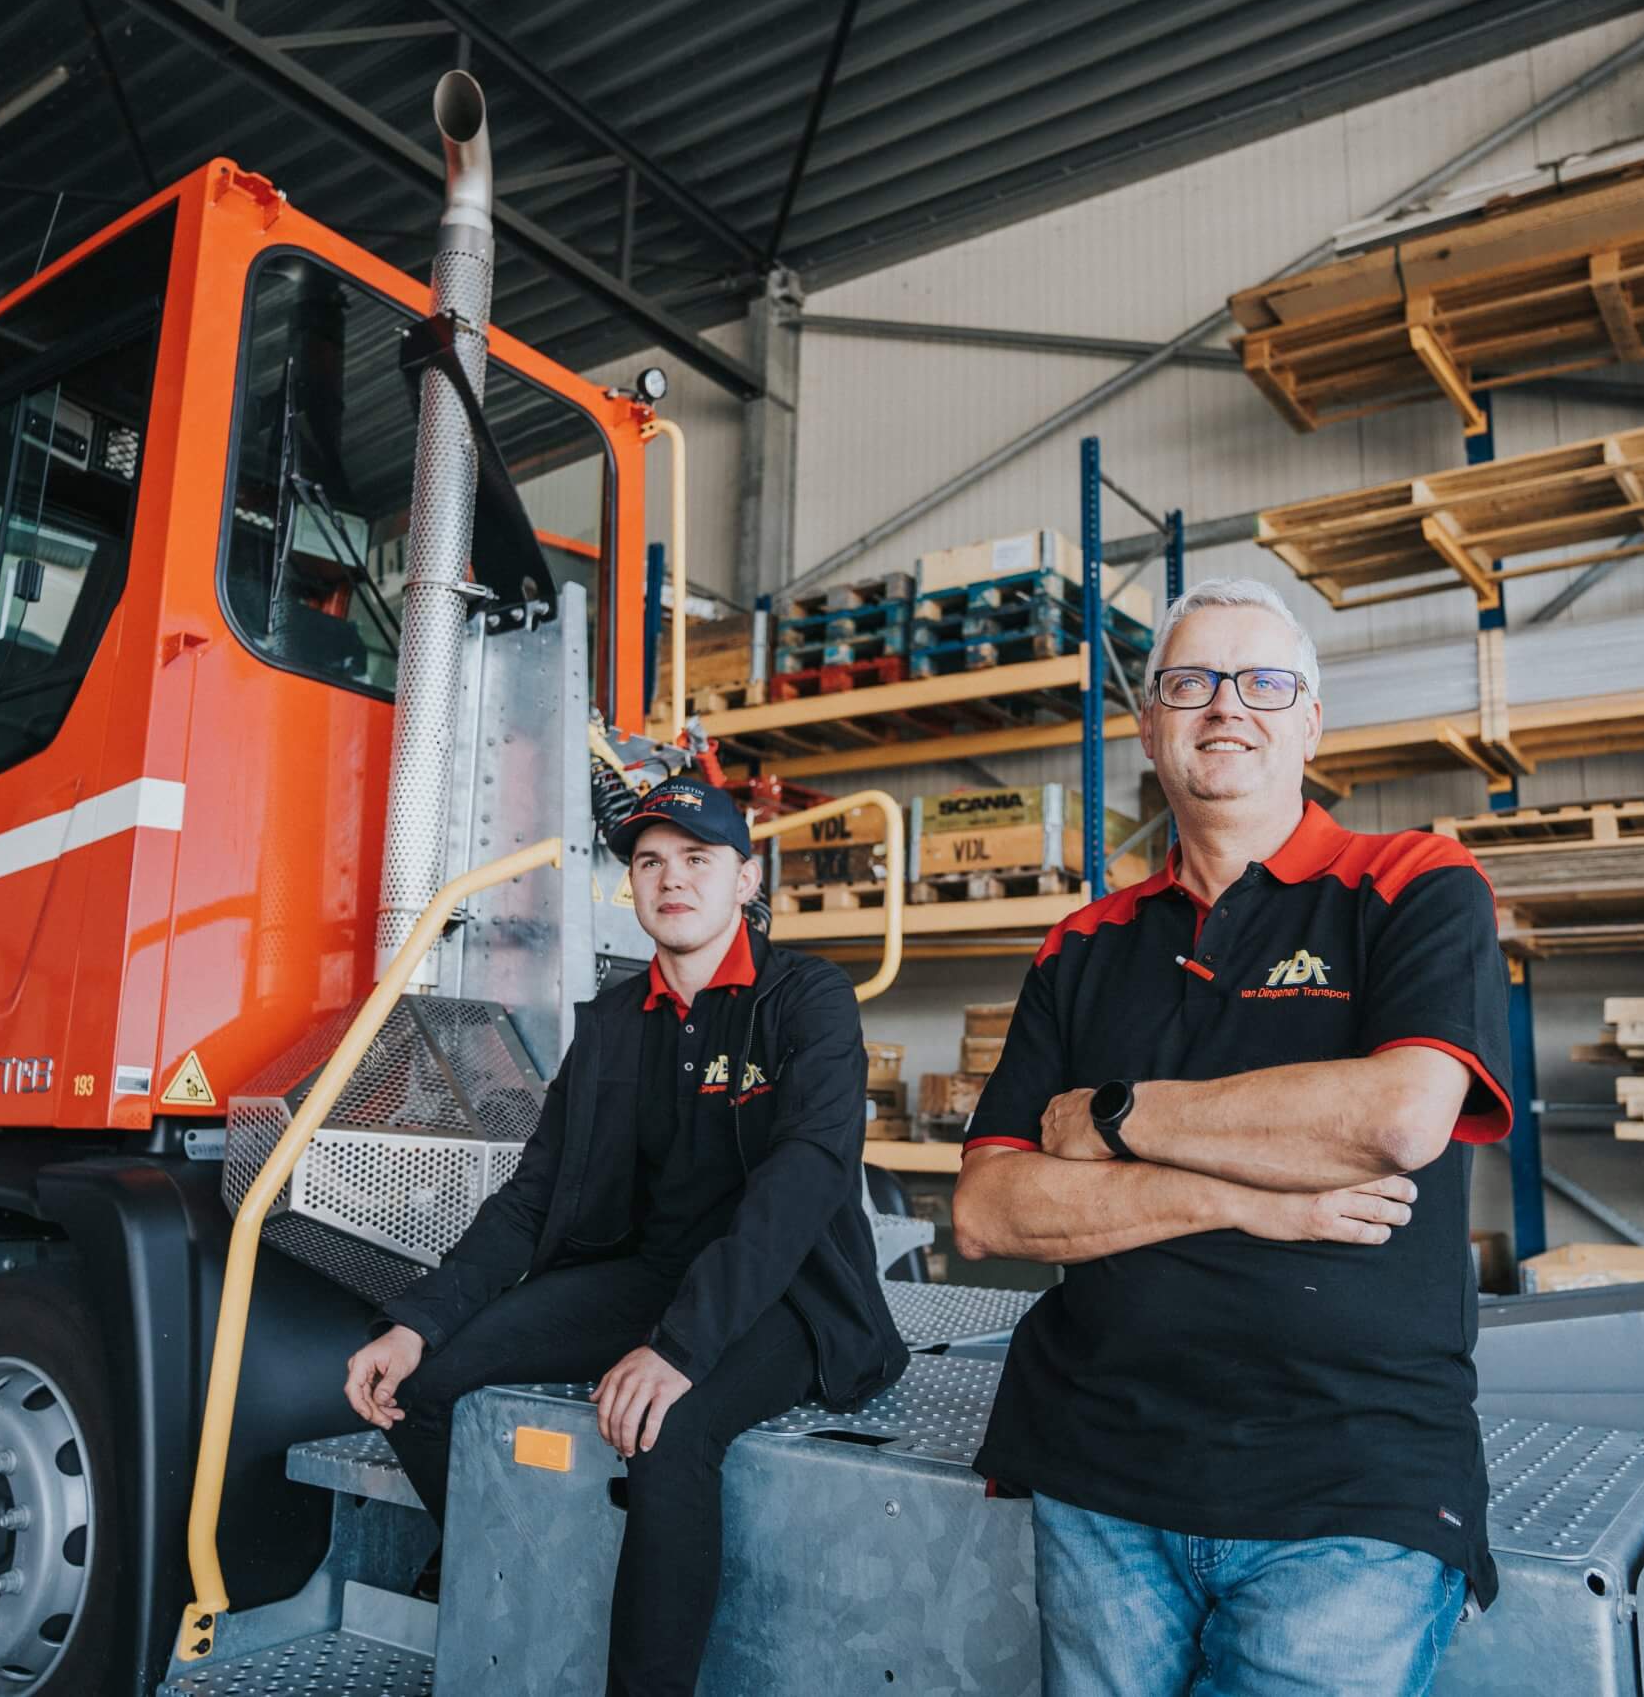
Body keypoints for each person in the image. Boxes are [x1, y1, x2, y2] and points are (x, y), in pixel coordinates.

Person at [952, 576, 1513, 1697]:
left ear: (1311, 723)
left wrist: (1116, 1117)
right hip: (1102, 1472)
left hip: (1349, 1486)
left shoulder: (1413, 883)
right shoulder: (1081, 946)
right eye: (1191, 683)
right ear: (1147, 726)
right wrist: (1250, 1196)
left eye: (1263, 683)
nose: (1226, 706)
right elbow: (989, 1210)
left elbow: (1397, 1118)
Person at [342, 774, 907, 1696]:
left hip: (790, 1291)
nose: (671, 878)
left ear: (746, 879)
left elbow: (805, 1177)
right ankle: (543, 1580)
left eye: (697, 858)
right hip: (653, 1276)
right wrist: (416, 1322)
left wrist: (678, 1348)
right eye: (649, 862)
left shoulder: (805, 998)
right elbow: (532, 1197)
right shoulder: (613, 1024)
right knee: (425, 1385)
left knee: (671, 1426)